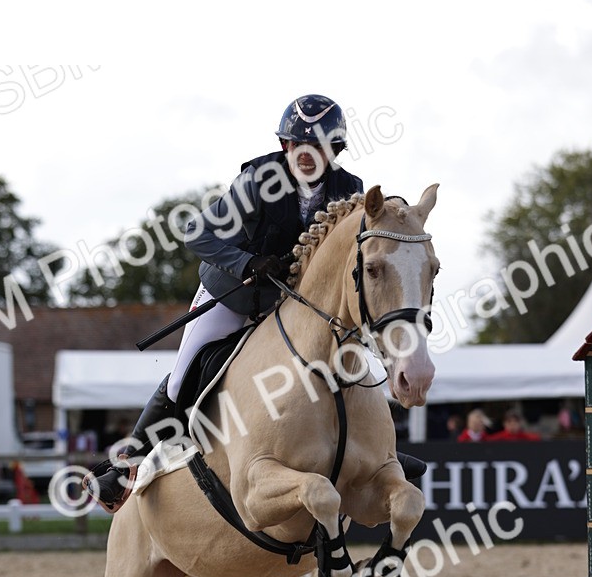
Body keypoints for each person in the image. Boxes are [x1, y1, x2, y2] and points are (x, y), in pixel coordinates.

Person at [86, 94, 424, 511]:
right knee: (184, 374)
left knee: (349, 353)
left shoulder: (350, 189)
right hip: (233, 292)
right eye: (297, 144)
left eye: (317, 146)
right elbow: (197, 232)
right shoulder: (258, 182)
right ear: (285, 146)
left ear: (333, 150)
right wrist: (248, 261)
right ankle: (124, 466)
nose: (306, 154)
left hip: (297, 302)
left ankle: (373, 450)